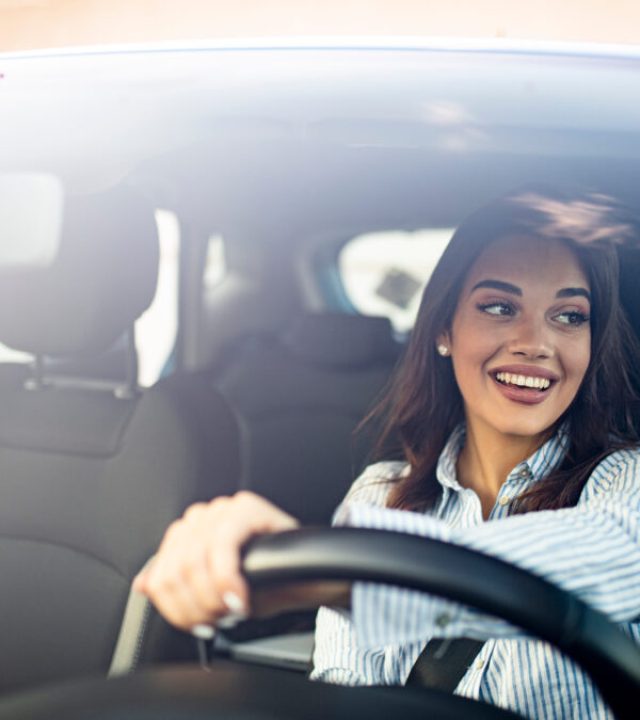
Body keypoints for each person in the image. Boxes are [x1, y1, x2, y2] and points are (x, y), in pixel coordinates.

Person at [133, 188, 640, 719]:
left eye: (569, 316)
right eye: (498, 306)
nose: (535, 342)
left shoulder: (623, 485)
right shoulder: (381, 494)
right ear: (444, 328)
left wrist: (324, 577)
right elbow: (343, 692)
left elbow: (621, 551)